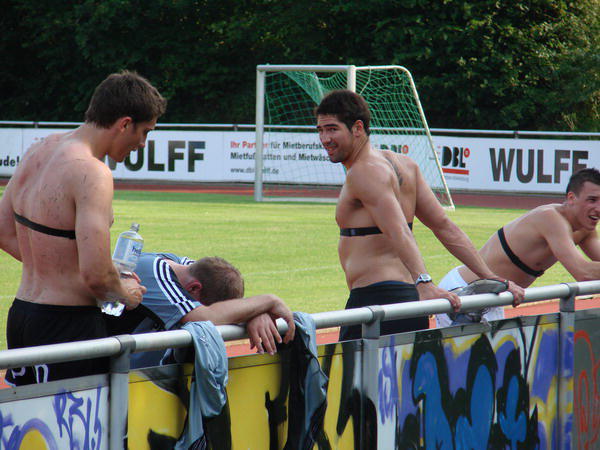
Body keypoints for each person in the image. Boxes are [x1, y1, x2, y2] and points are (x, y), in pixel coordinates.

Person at [315, 90, 524, 341]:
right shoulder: (405, 164)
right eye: (320, 130)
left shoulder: (363, 171)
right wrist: (491, 277)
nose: (325, 139)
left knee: (353, 369)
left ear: (358, 128)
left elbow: (398, 230)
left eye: (332, 129)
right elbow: (444, 227)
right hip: (408, 300)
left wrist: (424, 283)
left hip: (376, 302)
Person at [0, 71, 165, 386]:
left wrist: (55, 265)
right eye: (145, 132)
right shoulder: (93, 172)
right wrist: (127, 294)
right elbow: (97, 276)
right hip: (68, 325)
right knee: (86, 420)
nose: (142, 144)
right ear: (124, 124)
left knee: (25, 417)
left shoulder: (40, 149)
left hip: (22, 315)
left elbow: (3, 229)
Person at [436, 167, 600, 327]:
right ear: (571, 198)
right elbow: (583, 273)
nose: (598, 209)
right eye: (591, 200)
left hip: (494, 298)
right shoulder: (551, 218)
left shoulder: (585, 229)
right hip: (464, 292)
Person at [105, 252, 296, 368]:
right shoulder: (154, 274)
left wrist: (258, 313)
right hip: (103, 377)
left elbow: (227, 309)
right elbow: (206, 316)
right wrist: (269, 300)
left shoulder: (193, 270)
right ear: (194, 288)